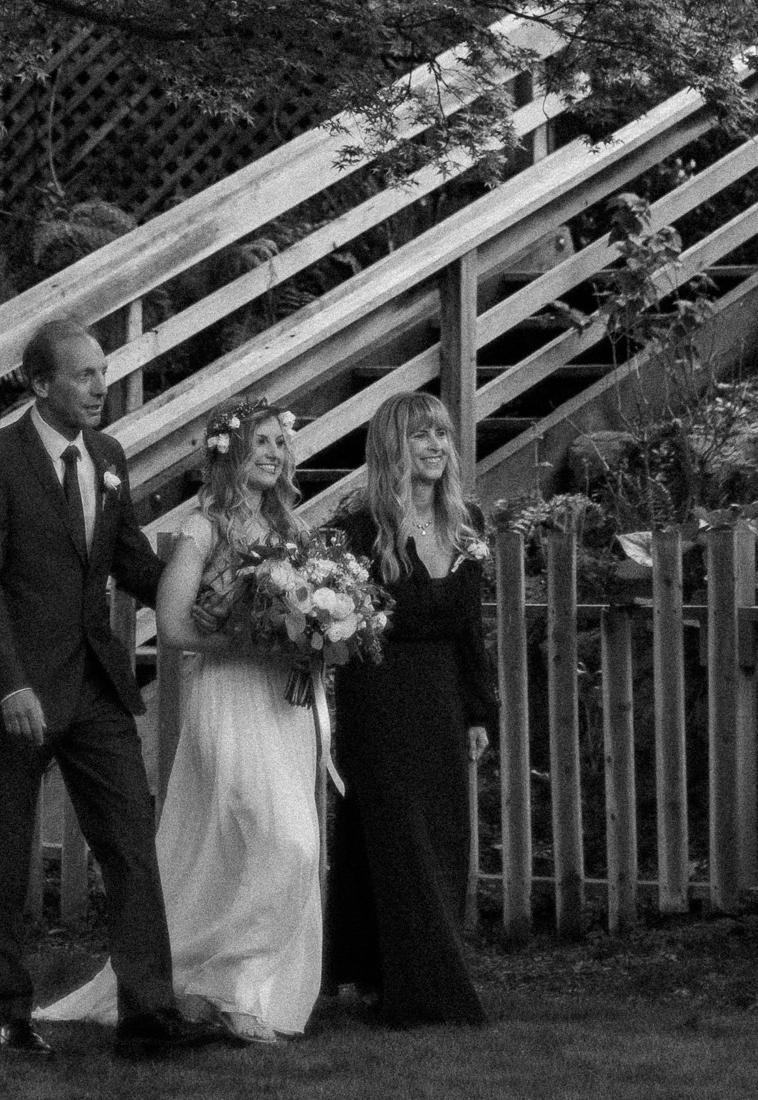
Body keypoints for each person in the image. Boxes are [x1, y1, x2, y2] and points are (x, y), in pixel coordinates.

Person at [0, 317, 223, 1060]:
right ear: (40, 385)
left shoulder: (107, 456)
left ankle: (148, 1015)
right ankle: (8, 1013)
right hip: (20, 694)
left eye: (103, 372)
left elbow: (129, 560)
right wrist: (10, 685)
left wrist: (218, 590)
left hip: (96, 685)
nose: (100, 387)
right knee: (7, 857)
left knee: (132, 844)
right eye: (83, 375)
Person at [40, 397, 324, 1044]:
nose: (273, 454)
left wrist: (321, 636)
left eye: (281, 443)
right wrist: (251, 644)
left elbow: (308, 613)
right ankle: (228, 980)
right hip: (228, 697)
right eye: (261, 443)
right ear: (229, 452)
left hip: (284, 706)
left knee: (283, 843)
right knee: (280, 839)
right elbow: (171, 626)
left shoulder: (295, 529)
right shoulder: (206, 528)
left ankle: (239, 990)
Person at [324, 393, 496, 1027]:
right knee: (396, 841)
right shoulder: (359, 530)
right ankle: (425, 991)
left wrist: (479, 713)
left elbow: (470, 631)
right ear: (393, 446)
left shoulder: (465, 522)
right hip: (378, 700)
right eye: (421, 435)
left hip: (442, 700)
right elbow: (338, 624)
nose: (435, 446)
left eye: (443, 436)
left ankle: (383, 975)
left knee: (443, 841)